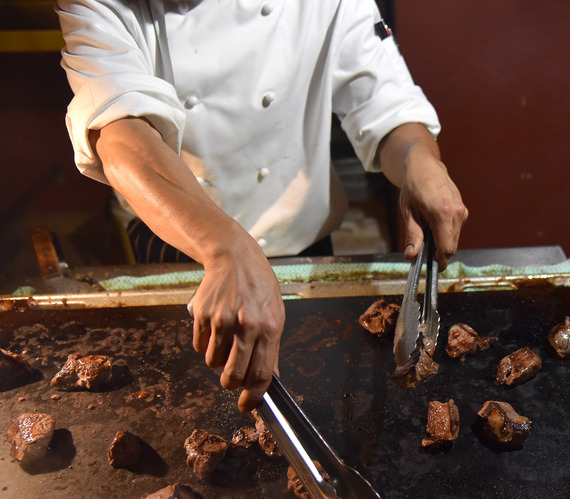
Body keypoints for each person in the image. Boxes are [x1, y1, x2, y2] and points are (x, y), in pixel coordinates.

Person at [56, 0, 468, 412]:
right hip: (178, 237)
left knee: (322, 397)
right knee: (176, 404)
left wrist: (420, 161)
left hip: (301, 239)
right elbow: (121, 134)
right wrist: (223, 246)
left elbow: (384, 101)